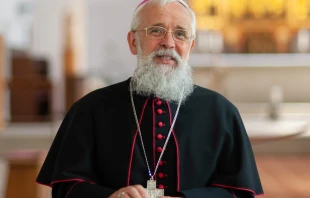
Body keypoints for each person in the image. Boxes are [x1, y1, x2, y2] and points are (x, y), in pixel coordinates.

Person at [36, 0, 264, 197]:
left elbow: (238, 192)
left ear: (190, 47)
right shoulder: (89, 109)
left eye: (180, 34)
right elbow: (66, 188)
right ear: (133, 42)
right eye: (156, 30)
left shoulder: (221, 112)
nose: (169, 42)